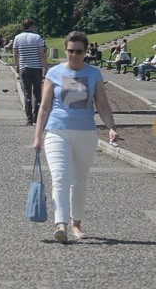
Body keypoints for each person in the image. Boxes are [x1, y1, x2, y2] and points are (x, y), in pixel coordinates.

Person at [33, 31, 118, 244]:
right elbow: (44, 107)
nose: (74, 55)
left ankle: (76, 224)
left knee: (80, 180)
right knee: (60, 177)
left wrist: (111, 127)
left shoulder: (94, 73)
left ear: (86, 51)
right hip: (57, 132)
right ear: (65, 50)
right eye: (70, 51)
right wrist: (37, 137)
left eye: (79, 51)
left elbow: (103, 105)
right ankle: (60, 224)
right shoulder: (53, 73)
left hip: (86, 133)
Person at [13, 18, 48, 126]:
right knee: (37, 94)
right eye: (34, 26)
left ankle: (28, 118)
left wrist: (17, 66)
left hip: (24, 68)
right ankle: (36, 117)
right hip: (36, 68)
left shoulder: (17, 38)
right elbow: (42, 54)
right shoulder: (37, 37)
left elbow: (15, 55)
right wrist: (45, 67)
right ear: (31, 26)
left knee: (27, 94)